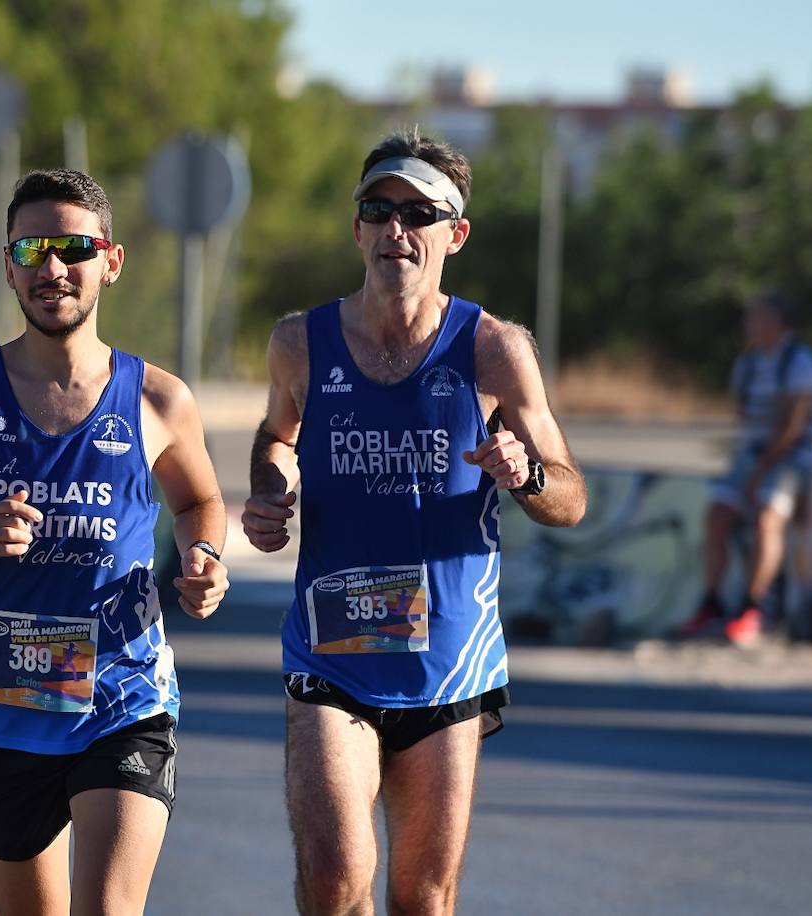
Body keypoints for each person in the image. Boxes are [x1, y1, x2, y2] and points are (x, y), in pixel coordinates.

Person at [241, 128, 587, 915]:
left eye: (418, 213)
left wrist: (525, 474)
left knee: (423, 898)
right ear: (357, 226)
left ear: (453, 234)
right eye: (378, 209)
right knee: (333, 877)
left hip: (449, 661)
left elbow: (571, 497)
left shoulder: (492, 350)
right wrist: (269, 488)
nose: (396, 229)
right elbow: (277, 434)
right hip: (332, 649)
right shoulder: (299, 342)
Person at [0, 168, 229, 916]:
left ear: (112, 261)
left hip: (125, 699)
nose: (52, 268)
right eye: (32, 249)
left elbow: (199, 500)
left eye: (73, 248)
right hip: (7, 705)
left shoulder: (159, 399)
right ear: (8, 265)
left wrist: (205, 555)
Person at [681, 292, 812, 646]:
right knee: (717, 516)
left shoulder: (799, 361)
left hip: (790, 457)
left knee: (766, 517)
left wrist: (761, 470)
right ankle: (712, 603)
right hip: (750, 454)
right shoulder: (747, 363)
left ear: (777, 321)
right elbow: (744, 414)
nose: (749, 324)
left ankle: (753, 606)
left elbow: (793, 426)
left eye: (756, 317)